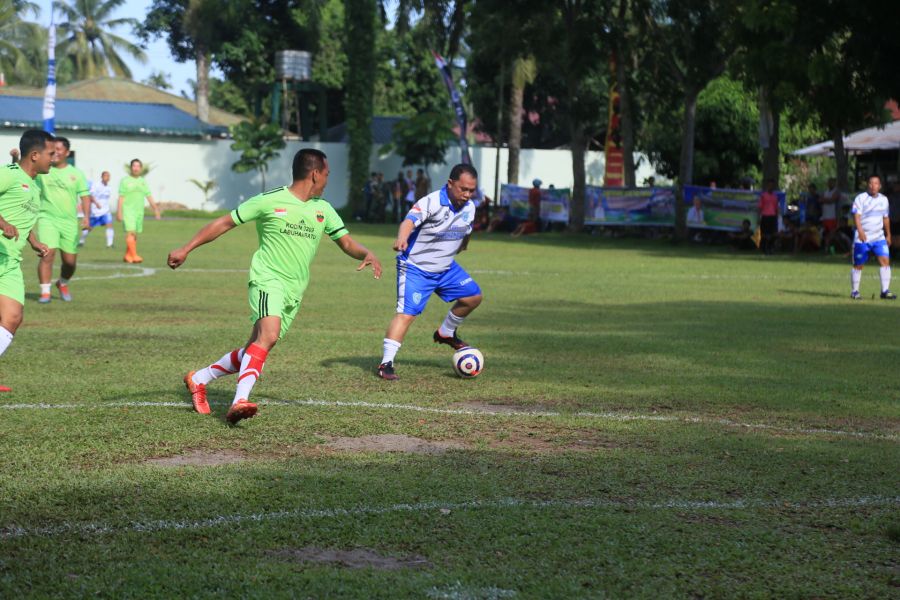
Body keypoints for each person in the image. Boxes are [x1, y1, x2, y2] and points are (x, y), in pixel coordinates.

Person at [168, 149, 382, 424]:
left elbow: (347, 243)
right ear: (315, 174)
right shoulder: (269, 200)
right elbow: (224, 222)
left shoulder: (323, 209)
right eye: (327, 174)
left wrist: (367, 253)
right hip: (267, 279)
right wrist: (186, 248)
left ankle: (199, 379)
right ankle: (239, 401)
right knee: (268, 336)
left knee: (254, 350)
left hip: (295, 289)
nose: (327, 180)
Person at [377, 163, 482, 381]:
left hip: (445, 267)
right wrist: (402, 238)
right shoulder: (431, 201)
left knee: (473, 297)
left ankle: (445, 333)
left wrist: (464, 244)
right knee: (407, 314)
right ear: (450, 184)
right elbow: (409, 221)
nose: (467, 194)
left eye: (472, 190)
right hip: (416, 268)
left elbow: (467, 229)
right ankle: (386, 363)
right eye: (463, 189)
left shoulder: (470, 207)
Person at [0, 130, 54, 391]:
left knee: (12, 317)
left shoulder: (33, 185)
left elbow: (20, 216)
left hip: (10, 260)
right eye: (50, 154)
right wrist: (2, 223)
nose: (53, 159)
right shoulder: (9, 174)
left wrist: (34, 241)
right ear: (34, 155)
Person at [34, 136, 92, 303]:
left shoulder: (76, 174)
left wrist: (87, 217)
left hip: (68, 222)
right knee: (47, 254)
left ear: (67, 152)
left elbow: (85, 196)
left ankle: (63, 283)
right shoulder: (43, 171)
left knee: (70, 262)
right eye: (53, 150)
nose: (55, 153)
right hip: (47, 218)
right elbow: (25, 175)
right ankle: (45, 292)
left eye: (59, 149)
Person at [850, 175, 895, 300]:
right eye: (870, 183)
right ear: (867, 185)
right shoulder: (861, 198)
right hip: (862, 237)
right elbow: (856, 216)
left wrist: (888, 234)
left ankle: (885, 291)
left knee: (885, 262)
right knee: (858, 264)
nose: (873, 186)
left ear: (879, 186)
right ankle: (855, 291)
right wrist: (860, 231)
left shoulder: (884, 200)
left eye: (875, 183)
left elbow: (885, 218)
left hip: (878, 237)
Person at [117, 158, 161, 264]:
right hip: (128, 211)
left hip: (139, 212)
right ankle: (134, 255)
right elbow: (121, 197)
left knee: (134, 235)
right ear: (131, 168)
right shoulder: (125, 181)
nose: (136, 168)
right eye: (134, 166)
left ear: (141, 168)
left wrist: (155, 209)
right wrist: (119, 212)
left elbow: (148, 195)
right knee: (131, 233)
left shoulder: (142, 182)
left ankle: (128, 256)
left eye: (138, 166)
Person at [79, 171, 115, 248]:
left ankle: (110, 244)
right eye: (105, 176)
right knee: (89, 227)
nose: (107, 178)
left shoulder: (109, 187)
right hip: (95, 211)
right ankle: (81, 241)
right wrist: (96, 203)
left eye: (108, 176)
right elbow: (90, 195)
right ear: (102, 177)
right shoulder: (96, 185)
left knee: (109, 225)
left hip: (105, 211)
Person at [758, 179, 779, 255]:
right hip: (765, 216)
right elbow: (760, 207)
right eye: (769, 185)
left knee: (773, 233)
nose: (771, 187)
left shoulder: (775, 197)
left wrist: (777, 217)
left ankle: (771, 248)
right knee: (765, 233)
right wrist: (758, 217)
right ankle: (764, 248)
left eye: (772, 185)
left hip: (772, 216)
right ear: (767, 186)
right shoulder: (763, 196)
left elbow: (776, 208)